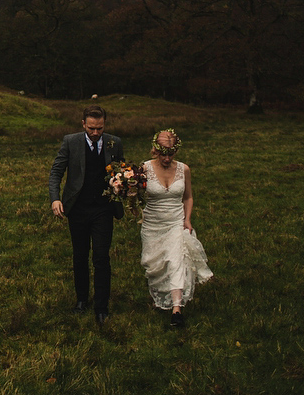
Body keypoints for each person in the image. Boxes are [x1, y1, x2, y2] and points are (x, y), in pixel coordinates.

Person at [49, 105, 124, 325]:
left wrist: (121, 184)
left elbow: (120, 171)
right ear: (83, 124)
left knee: (101, 256)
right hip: (78, 209)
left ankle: (101, 307)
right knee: (80, 256)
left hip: (103, 208)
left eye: (99, 128)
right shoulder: (70, 142)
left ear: (104, 125)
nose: (95, 133)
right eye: (91, 128)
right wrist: (55, 198)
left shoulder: (114, 142)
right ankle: (81, 300)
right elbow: (56, 172)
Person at [140, 129, 213, 327]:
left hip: (176, 221)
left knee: (176, 259)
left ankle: (177, 310)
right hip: (153, 224)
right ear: (155, 150)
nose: (167, 158)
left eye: (170, 154)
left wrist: (187, 219)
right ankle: (161, 295)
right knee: (155, 265)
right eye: (163, 153)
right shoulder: (144, 168)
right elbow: (135, 194)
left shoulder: (184, 169)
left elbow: (188, 197)